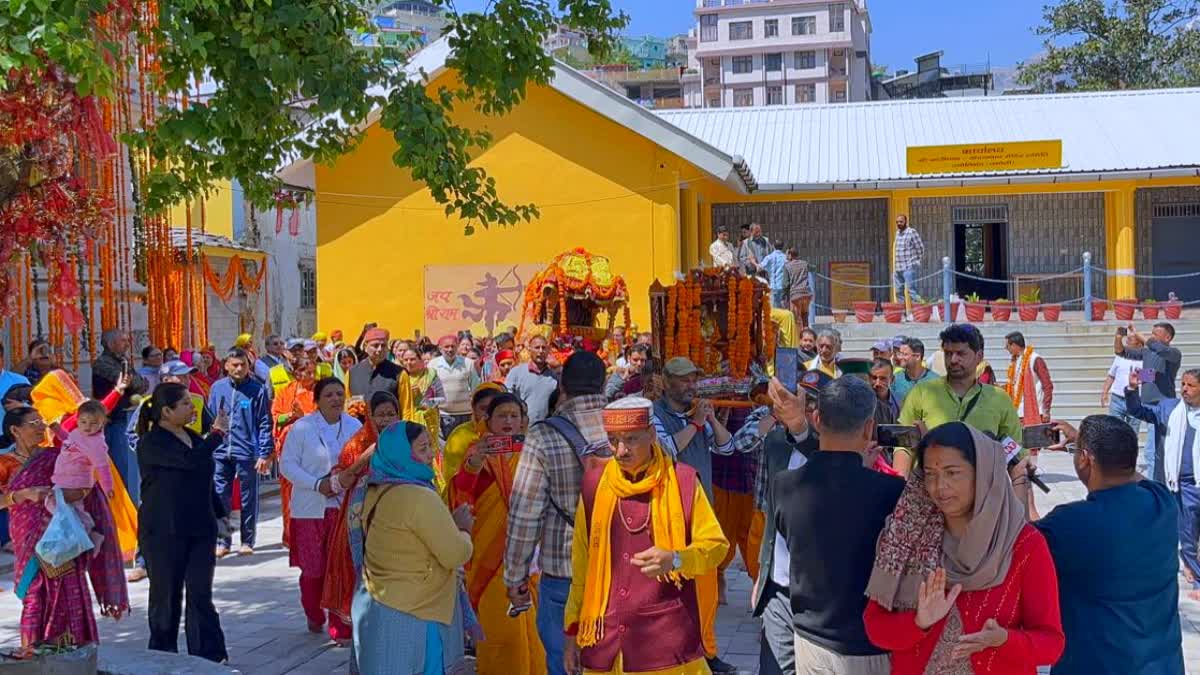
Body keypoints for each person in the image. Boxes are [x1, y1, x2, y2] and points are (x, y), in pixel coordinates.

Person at [863, 422, 1064, 674]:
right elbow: (875, 627)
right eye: (930, 474)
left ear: (982, 473)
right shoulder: (906, 537)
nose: (939, 486)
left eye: (952, 472)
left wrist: (1004, 640)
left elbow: (1051, 644)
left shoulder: (1023, 545)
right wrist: (918, 622)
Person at [564, 397, 730, 675]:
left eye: (631, 439)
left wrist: (677, 559)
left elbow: (716, 546)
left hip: (666, 643)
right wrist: (572, 632)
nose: (620, 450)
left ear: (652, 435)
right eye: (613, 440)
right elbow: (582, 565)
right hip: (604, 641)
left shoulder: (682, 481)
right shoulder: (594, 485)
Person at [1026, 415, 1184, 674]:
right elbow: (1134, 476)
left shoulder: (1070, 522)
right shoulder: (1161, 501)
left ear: (1085, 459)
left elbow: (1023, 542)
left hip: (1095, 664)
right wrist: (1083, 443)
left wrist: (1020, 480)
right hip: (1163, 664)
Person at [771, 376, 903, 674]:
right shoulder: (890, 492)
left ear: (816, 419)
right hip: (868, 642)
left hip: (810, 637)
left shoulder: (785, 485)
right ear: (869, 427)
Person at [505, 352, 609, 675]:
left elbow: (525, 513)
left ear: (562, 385)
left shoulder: (543, 435)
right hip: (619, 569)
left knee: (565, 665)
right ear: (604, 384)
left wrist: (515, 576)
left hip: (565, 572)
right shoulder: (627, 426)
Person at [350, 420, 477, 674]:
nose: (431, 454)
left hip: (378, 603)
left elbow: (406, 536)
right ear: (401, 454)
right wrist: (462, 529)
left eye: (430, 446)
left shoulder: (372, 488)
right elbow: (455, 554)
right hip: (418, 611)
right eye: (422, 449)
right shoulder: (418, 495)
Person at [2, 405, 130, 651]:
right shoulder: (4, 463)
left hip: (63, 536)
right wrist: (22, 495)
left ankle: (71, 653)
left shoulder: (56, 456)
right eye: (33, 422)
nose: (41, 425)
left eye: (41, 420)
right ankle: (31, 655)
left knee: (68, 589)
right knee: (33, 596)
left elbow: (84, 483)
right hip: (29, 537)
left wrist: (72, 493)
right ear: (15, 430)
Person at [649, 356, 739, 673]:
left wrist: (711, 421)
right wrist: (696, 424)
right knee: (678, 593)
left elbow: (727, 448)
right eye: (684, 380)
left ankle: (708, 652)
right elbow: (666, 450)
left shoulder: (696, 415)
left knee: (707, 591)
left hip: (703, 512)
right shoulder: (655, 415)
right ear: (666, 382)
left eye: (693, 380)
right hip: (672, 514)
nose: (691, 386)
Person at [450, 393, 546, 673]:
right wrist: (475, 462)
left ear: (523, 420)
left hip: (529, 552)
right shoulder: (476, 451)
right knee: (502, 630)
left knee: (533, 628)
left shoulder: (532, 450)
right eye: (501, 416)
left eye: (514, 416)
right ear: (487, 420)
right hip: (489, 557)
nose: (508, 421)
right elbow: (460, 495)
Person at [135, 383, 230, 662]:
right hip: (164, 530)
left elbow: (204, 474)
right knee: (166, 596)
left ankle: (209, 656)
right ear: (166, 411)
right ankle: (163, 656)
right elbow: (189, 462)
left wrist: (221, 514)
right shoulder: (151, 443)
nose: (192, 407)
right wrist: (217, 434)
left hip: (200, 528)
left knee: (200, 593)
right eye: (186, 403)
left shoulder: (193, 436)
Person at [737, 375, 819, 675]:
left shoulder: (834, 448)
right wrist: (762, 574)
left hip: (819, 594)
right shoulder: (775, 443)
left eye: (807, 404)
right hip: (777, 589)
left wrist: (799, 427)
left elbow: (818, 455)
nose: (795, 408)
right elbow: (773, 516)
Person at [280, 377, 362, 642]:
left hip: (344, 508)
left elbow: (363, 461)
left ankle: (341, 623)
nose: (336, 399)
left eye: (340, 394)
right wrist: (319, 484)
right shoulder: (302, 428)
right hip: (310, 509)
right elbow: (287, 466)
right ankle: (314, 613)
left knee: (341, 567)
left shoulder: (355, 426)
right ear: (317, 400)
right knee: (313, 570)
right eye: (329, 395)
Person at [320, 391, 400, 629]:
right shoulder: (356, 444)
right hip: (364, 522)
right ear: (370, 417)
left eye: (391, 414)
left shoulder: (408, 439)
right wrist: (365, 458)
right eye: (380, 415)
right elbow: (338, 483)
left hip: (401, 519)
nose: (386, 420)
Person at [898, 324, 1022, 476]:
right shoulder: (921, 392)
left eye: (961, 353)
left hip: (982, 494)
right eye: (948, 353)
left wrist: (1020, 495)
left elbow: (1016, 454)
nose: (953, 360)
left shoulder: (999, 399)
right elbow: (903, 446)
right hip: (930, 491)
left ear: (979, 356)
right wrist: (899, 489)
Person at [1123, 367, 1200, 592]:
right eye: (1183, 384)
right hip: (1181, 483)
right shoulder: (1170, 408)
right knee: (1186, 531)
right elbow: (1137, 410)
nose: (1184, 389)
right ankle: (1196, 578)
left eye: (1191, 386)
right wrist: (1132, 388)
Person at [207, 348, 273, 557]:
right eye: (234, 364)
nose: (239, 368)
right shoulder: (217, 388)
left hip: (246, 452)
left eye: (243, 365)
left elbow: (264, 422)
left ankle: (247, 540)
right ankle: (223, 541)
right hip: (220, 451)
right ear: (226, 365)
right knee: (219, 497)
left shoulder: (257, 390)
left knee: (248, 497)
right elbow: (209, 418)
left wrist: (264, 453)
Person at [1118, 322, 1183, 481]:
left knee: (1153, 451)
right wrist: (1119, 338)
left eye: (1156, 333)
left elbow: (1159, 351)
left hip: (1163, 406)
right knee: (1150, 449)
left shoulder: (1173, 353)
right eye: (1151, 333)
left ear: (1167, 337)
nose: (1152, 336)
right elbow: (1122, 353)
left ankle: (1157, 485)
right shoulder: (1148, 353)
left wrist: (1141, 337)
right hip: (1145, 405)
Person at [92, 328, 148, 505]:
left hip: (128, 418)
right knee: (121, 467)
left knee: (132, 467)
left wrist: (134, 383)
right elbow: (127, 382)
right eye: (123, 340)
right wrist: (133, 383)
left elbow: (141, 385)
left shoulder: (123, 361)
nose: (127, 343)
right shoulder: (102, 364)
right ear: (111, 344)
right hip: (114, 422)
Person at [272, 353, 319, 549]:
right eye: (305, 372)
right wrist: (292, 416)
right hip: (290, 450)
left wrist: (305, 418)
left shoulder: (321, 391)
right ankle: (290, 536)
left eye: (312, 371)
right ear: (296, 373)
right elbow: (276, 418)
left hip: (314, 451)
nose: (310, 375)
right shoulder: (285, 392)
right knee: (289, 494)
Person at [442, 383, 505, 490]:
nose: (489, 414)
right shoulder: (460, 436)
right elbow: (452, 478)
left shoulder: (510, 432)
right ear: (474, 409)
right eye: (483, 408)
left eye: (495, 408)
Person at [430, 334, 481, 438]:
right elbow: (430, 392)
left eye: (453, 346)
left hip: (466, 414)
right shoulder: (433, 365)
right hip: (444, 415)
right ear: (440, 348)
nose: (450, 349)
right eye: (446, 347)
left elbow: (476, 388)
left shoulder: (468, 363)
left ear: (457, 347)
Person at [506, 335, 560, 424]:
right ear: (529, 349)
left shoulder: (554, 377)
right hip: (520, 427)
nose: (541, 351)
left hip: (544, 428)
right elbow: (507, 398)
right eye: (537, 348)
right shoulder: (516, 372)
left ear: (548, 351)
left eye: (544, 348)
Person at [1004, 331, 1054, 425]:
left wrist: (1046, 409)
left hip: (1034, 412)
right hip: (1018, 413)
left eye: (1007, 346)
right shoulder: (1015, 361)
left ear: (1014, 345)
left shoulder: (1035, 359)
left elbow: (1048, 386)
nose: (1006, 349)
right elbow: (1015, 385)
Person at [1101, 338, 1142, 436]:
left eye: (1131, 339)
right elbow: (1111, 375)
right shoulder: (1120, 357)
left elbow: (1150, 379)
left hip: (1135, 401)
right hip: (1117, 399)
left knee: (1132, 432)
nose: (1127, 340)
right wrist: (1105, 392)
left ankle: (1130, 451)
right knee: (1114, 430)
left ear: (1140, 344)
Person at [348, 327, 402, 399]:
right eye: (375, 345)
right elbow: (346, 403)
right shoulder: (352, 373)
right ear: (365, 347)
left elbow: (407, 409)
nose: (380, 349)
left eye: (383, 346)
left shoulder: (399, 374)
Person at [892, 214, 925, 310]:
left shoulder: (912, 232)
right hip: (898, 268)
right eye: (897, 222)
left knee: (912, 291)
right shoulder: (897, 233)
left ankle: (917, 313)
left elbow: (920, 248)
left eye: (901, 221)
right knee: (898, 292)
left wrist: (916, 261)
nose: (899, 223)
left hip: (908, 267)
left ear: (905, 221)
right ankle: (902, 314)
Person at [891, 337, 937, 405]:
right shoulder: (896, 379)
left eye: (905, 354)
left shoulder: (935, 381)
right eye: (900, 354)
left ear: (917, 356)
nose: (900, 357)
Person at [783, 248, 812, 331]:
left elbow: (785, 284)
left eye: (787, 254)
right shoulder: (804, 263)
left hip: (795, 295)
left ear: (790, 255)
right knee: (805, 316)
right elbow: (813, 268)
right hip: (806, 293)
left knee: (796, 320)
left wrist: (784, 296)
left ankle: (799, 340)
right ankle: (807, 334)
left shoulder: (787, 266)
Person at [868, 359, 900, 426]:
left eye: (883, 378)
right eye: (874, 378)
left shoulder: (900, 403)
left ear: (892, 380)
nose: (877, 383)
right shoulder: (862, 402)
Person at [762, 240, 788, 309]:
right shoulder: (786, 258)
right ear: (783, 247)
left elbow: (760, 267)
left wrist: (753, 262)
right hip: (783, 286)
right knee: (782, 307)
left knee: (774, 308)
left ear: (773, 246)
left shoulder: (769, 257)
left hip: (773, 285)